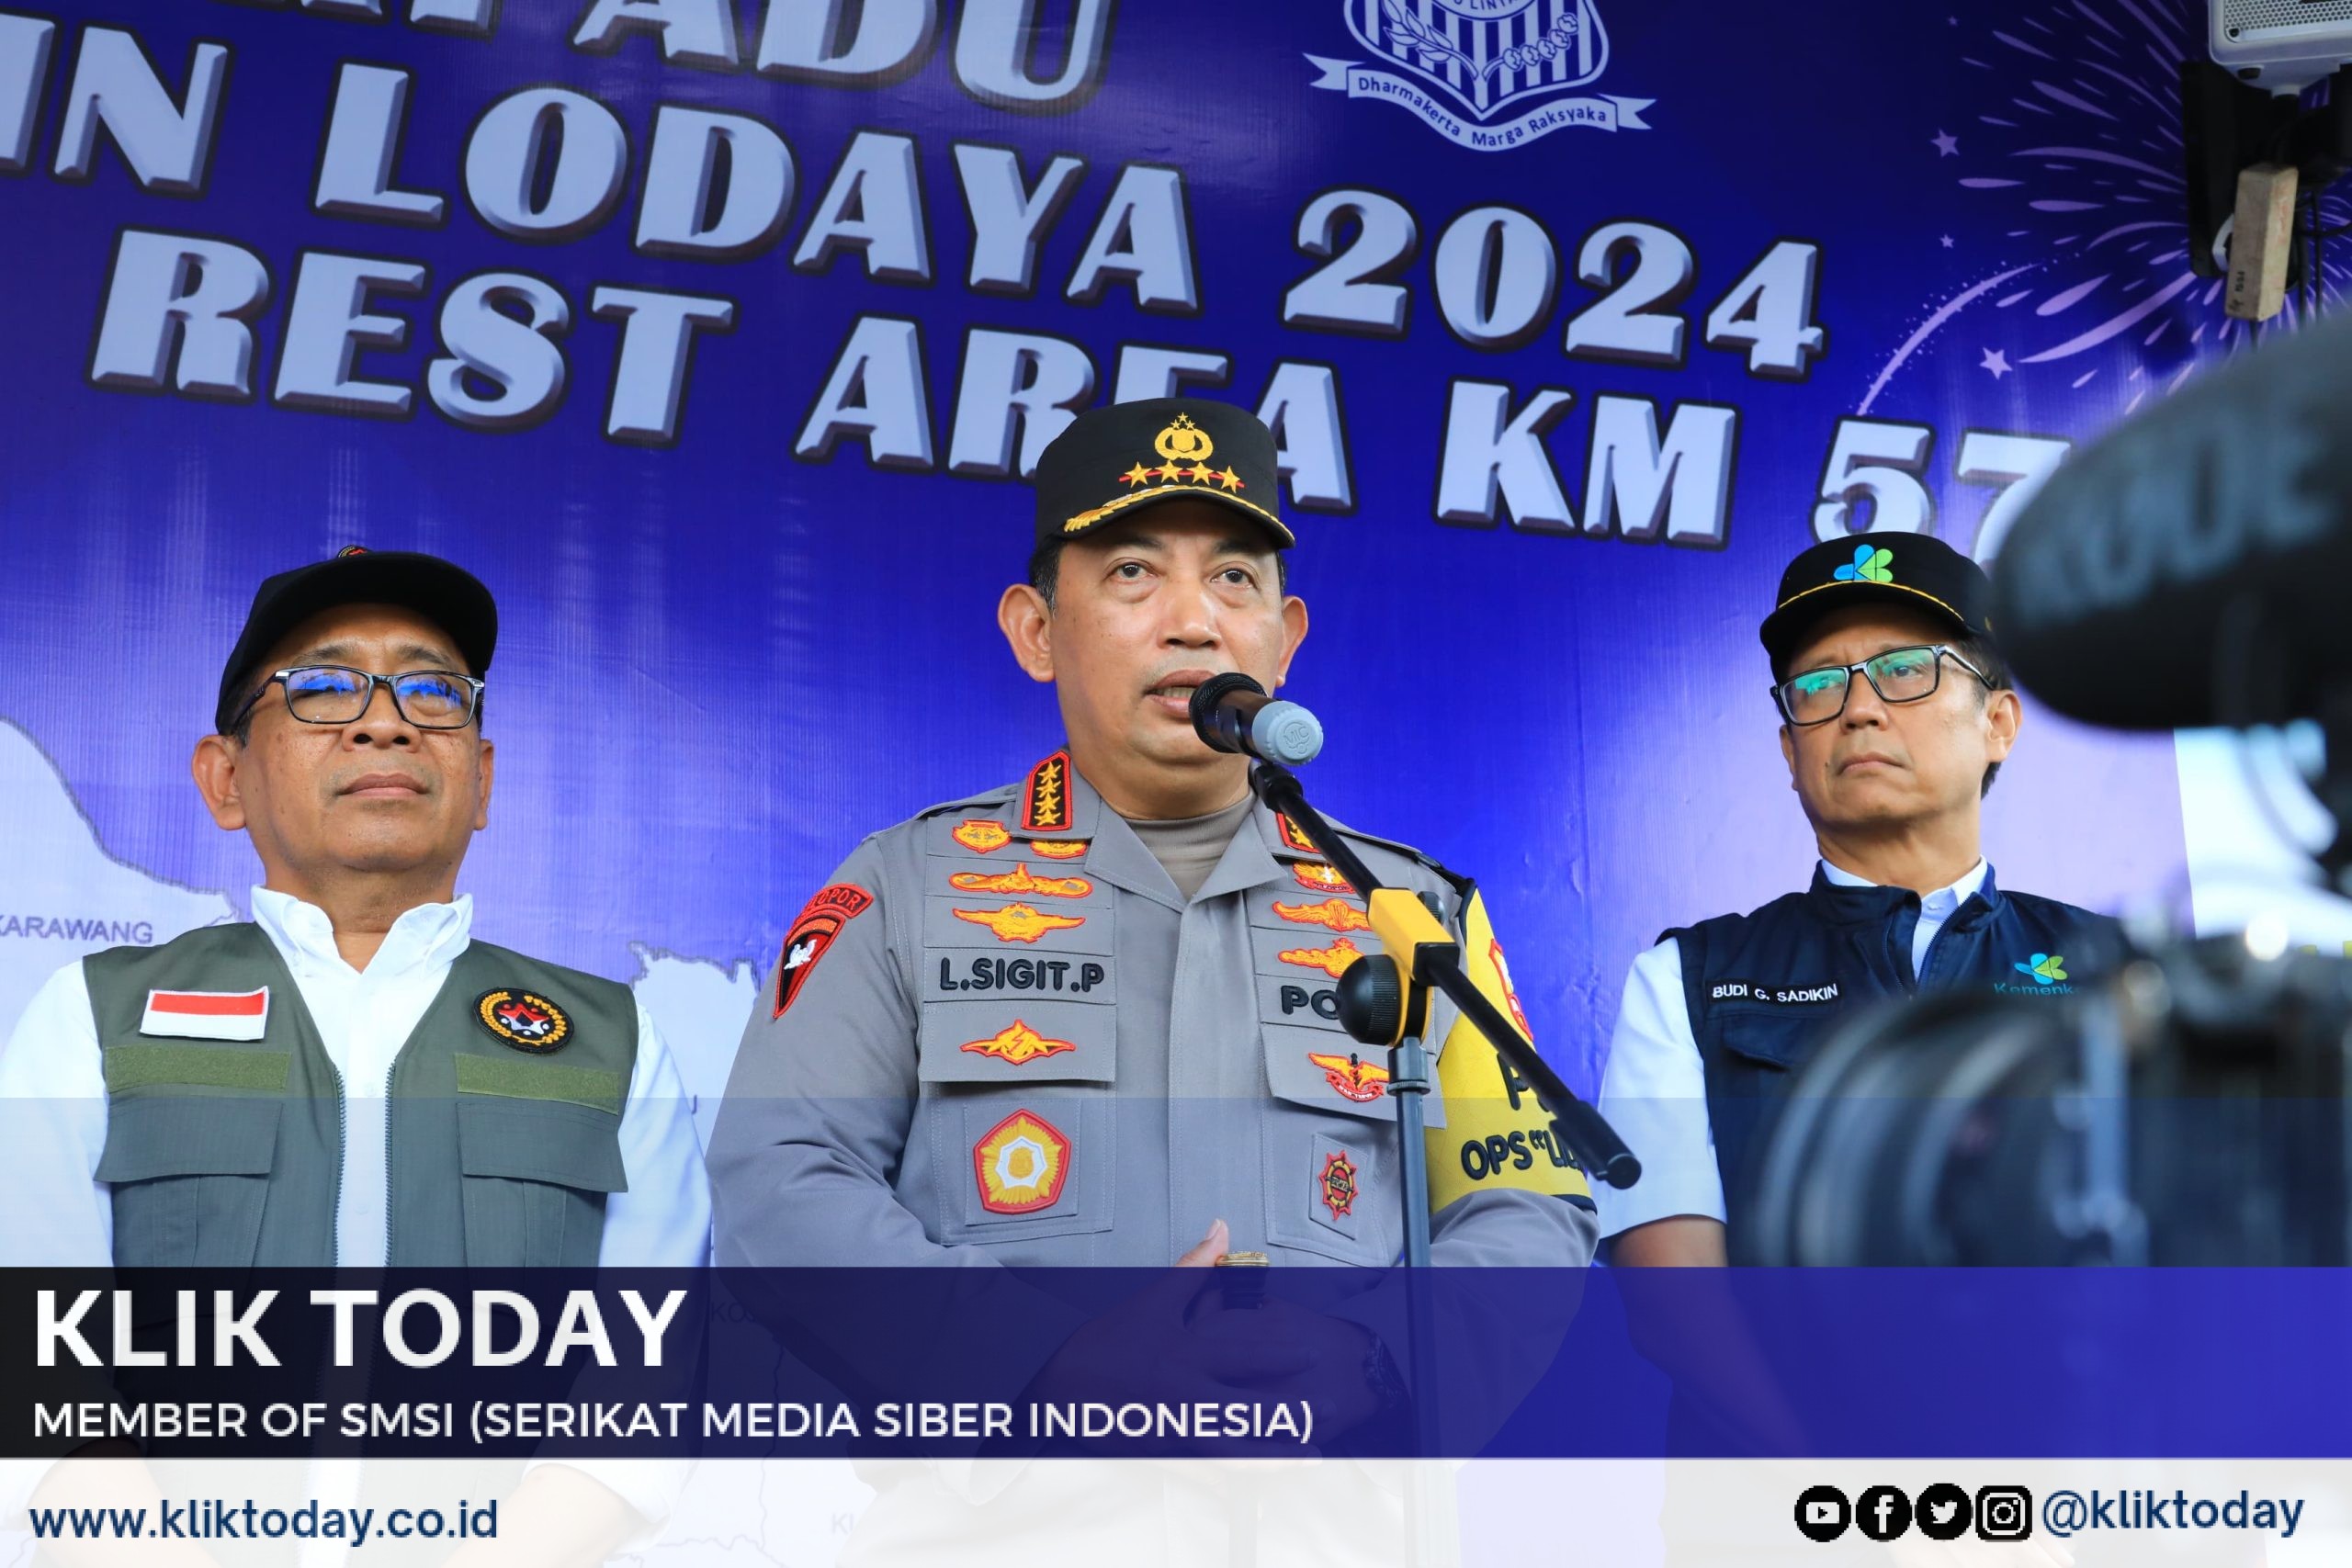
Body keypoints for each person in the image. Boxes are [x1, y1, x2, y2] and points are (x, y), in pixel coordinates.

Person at [708, 398, 1593, 1556]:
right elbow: (779, 1175)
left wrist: (1380, 1360)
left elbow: (1527, 1204)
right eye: (1133, 572)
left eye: (1233, 579)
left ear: (1284, 638)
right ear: (1036, 631)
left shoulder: (1412, 913)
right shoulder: (906, 887)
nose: (1192, 622)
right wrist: (1039, 1361)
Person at [0, 546, 708, 1556]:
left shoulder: (612, 1045)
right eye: (325, 687)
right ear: (226, 778)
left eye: (433, 692)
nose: (387, 722)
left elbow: (632, 1408)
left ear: (482, 778)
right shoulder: (94, 1016)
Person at [1596, 531, 2125, 1268]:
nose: (1860, 710)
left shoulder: (2116, 972)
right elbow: (1675, 1297)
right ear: (1791, 751)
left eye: (1904, 669)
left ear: (1998, 723)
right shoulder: (1687, 981)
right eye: (1819, 684)